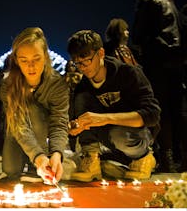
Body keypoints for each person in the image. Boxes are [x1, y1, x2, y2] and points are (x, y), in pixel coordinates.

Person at [66, 30, 161, 181]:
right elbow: (79, 121)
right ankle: (92, 161)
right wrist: (74, 127)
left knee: (118, 134)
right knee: (82, 101)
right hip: (106, 140)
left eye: (87, 61)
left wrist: (105, 118)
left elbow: (152, 115)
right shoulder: (82, 86)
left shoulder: (128, 73)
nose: (82, 68)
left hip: (135, 136)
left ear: (101, 53)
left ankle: (143, 158)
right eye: (77, 63)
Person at [0, 27, 69, 183]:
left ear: (45, 56)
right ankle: (34, 159)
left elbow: (59, 122)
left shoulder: (57, 85)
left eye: (36, 59)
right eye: (24, 60)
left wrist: (56, 154)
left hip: (41, 132)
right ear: (17, 60)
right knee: (10, 170)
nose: (31, 66)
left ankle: (35, 166)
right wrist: (37, 156)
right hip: (17, 131)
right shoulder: (8, 85)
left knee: (35, 110)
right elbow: (19, 125)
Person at [132, 0, 184, 172]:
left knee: (160, 112)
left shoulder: (149, 4)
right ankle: (182, 157)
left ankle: (166, 157)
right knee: (178, 111)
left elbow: (139, 35)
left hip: (157, 62)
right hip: (177, 63)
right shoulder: (172, 4)